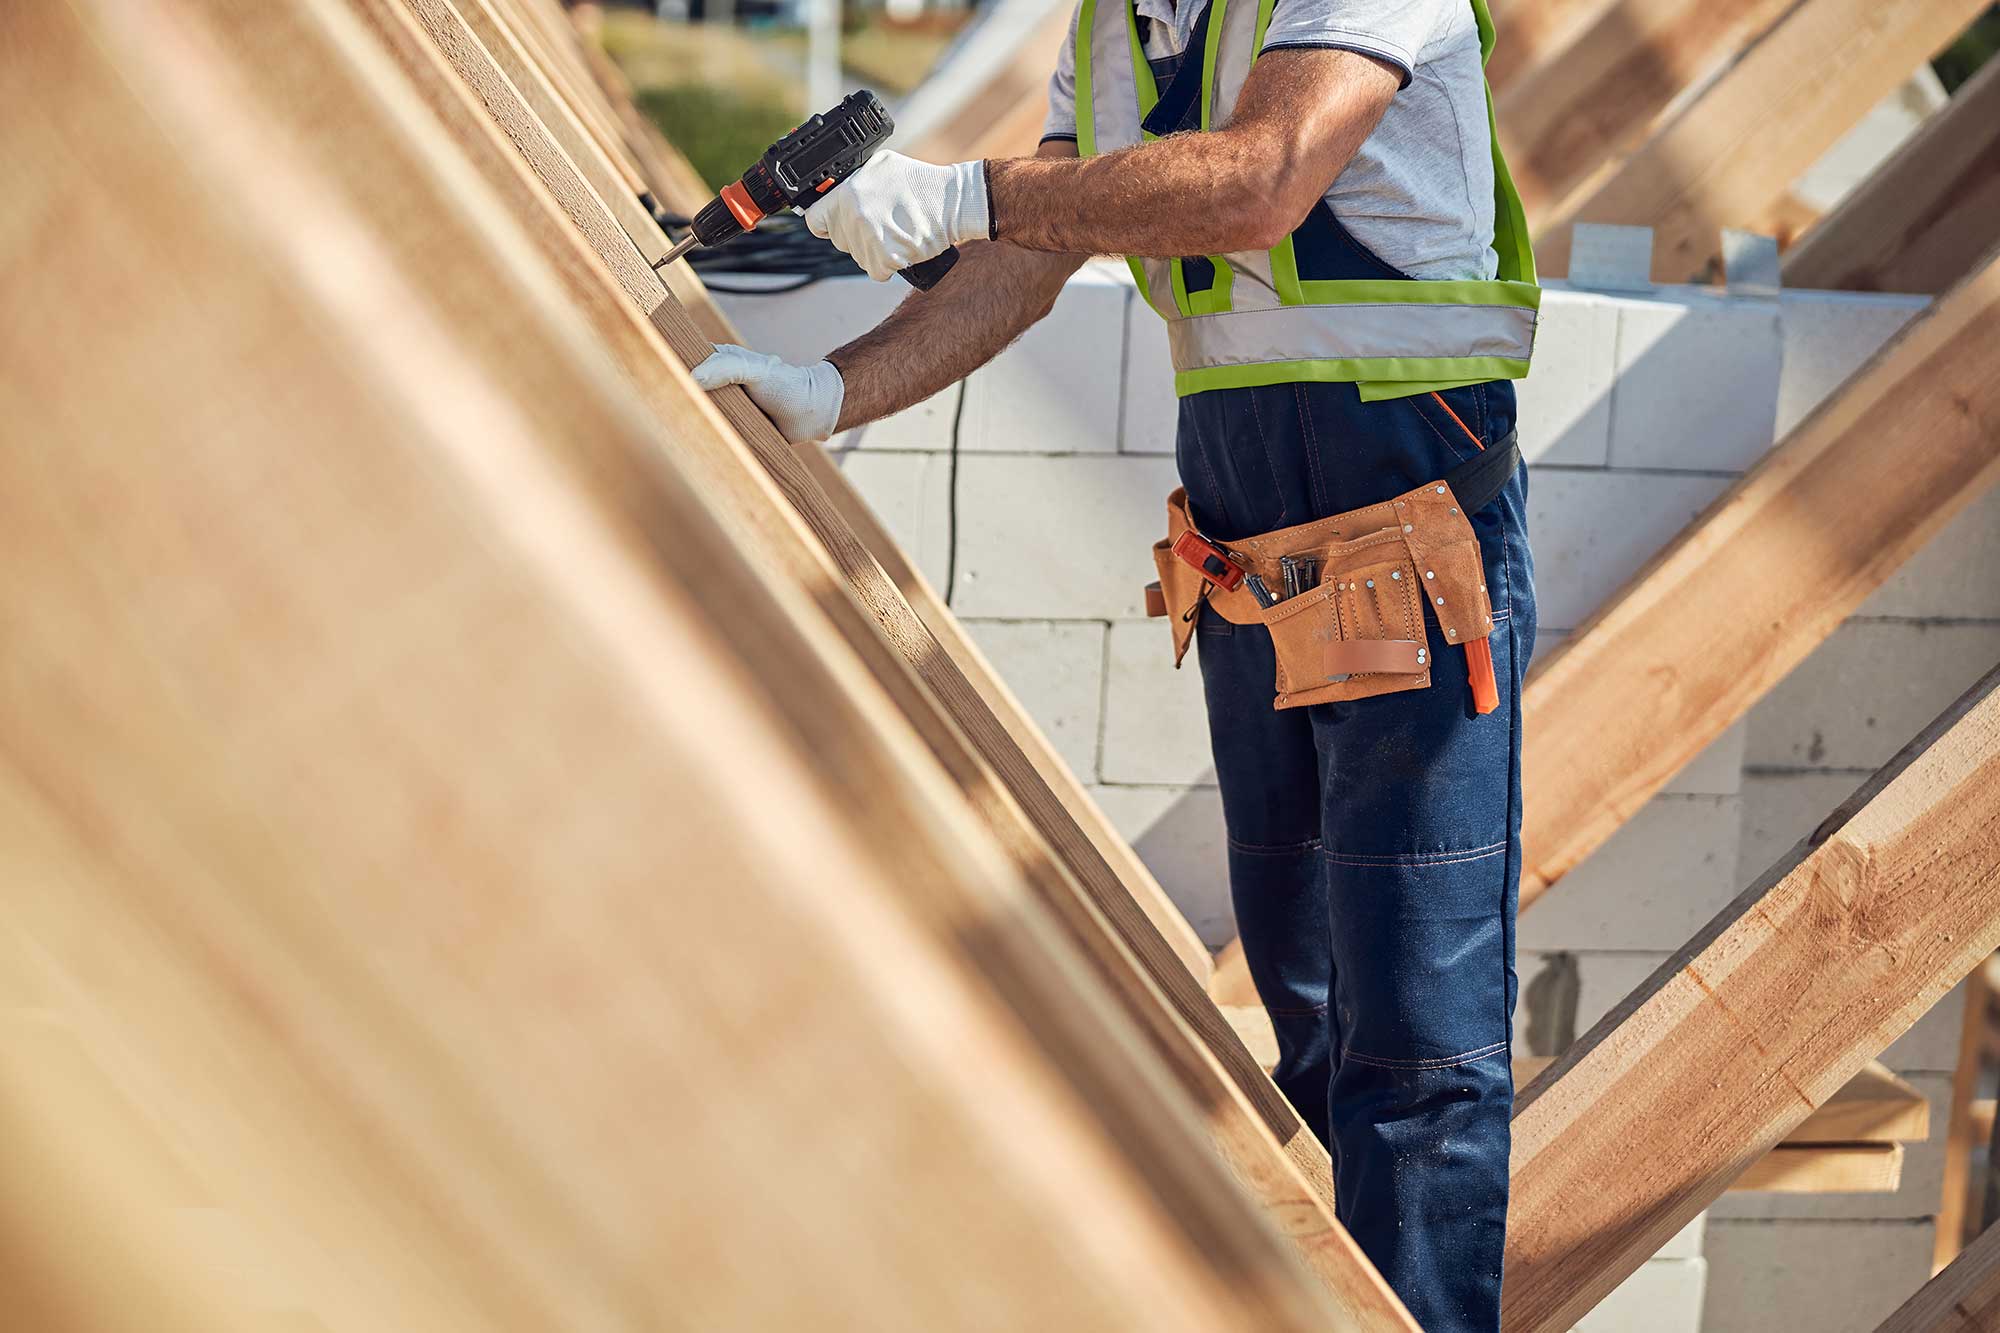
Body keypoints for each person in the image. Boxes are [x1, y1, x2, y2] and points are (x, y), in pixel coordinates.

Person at [694, 1, 1537, 1325]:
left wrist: (969, 193)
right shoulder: (1123, 23)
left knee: (1419, 1052)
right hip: (1264, 571)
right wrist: (839, 387)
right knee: (1311, 1012)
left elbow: (1264, 177)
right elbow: (1027, 258)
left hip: (1410, 538)